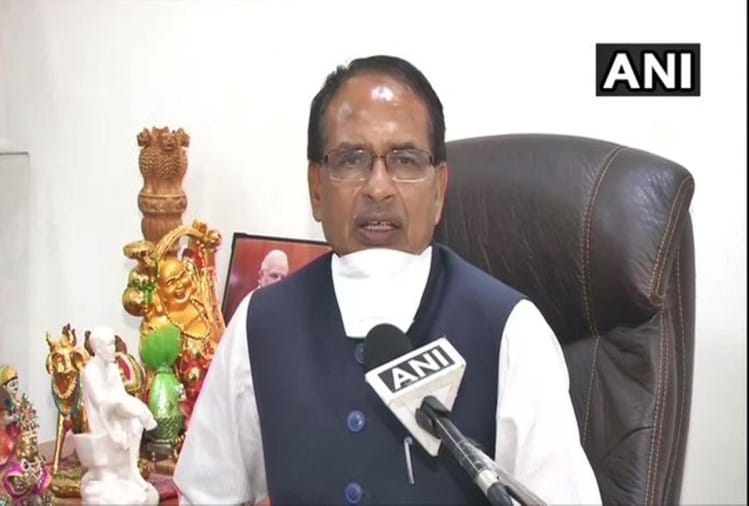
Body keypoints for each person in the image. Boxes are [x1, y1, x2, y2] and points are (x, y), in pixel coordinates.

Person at [174, 55, 602, 505]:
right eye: (351, 159)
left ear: (439, 190)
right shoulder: (260, 325)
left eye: (405, 160)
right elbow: (206, 495)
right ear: (317, 187)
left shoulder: (511, 330)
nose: (378, 187)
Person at [75, 326, 158, 505]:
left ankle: (132, 470)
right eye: (109, 344)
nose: (114, 348)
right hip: (102, 423)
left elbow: (121, 395)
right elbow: (101, 402)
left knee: (135, 422)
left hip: (116, 416)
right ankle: (109, 477)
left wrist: (135, 407)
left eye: (114, 343)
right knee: (130, 411)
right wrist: (124, 405)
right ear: (98, 348)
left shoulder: (112, 369)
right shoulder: (90, 371)